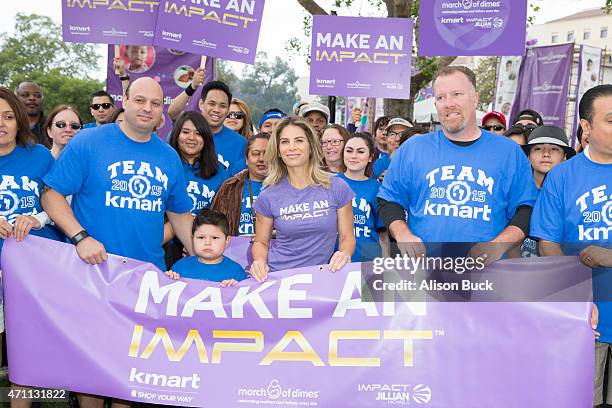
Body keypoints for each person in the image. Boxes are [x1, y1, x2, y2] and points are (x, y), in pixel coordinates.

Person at [378, 66, 538, 262]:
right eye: (441, 97)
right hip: (426, 273)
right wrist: (402, 233)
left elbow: (526, 208)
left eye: (457, 94)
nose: (448, 104)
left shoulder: (508, 152)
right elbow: (389, 199)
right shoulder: (413, 149)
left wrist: (499, 244)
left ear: (475, 98)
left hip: (486, 277)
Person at [529, 85, 612, 407]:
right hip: (585, 324)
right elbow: (547, 243)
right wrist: (575, 302)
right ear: (586, 127)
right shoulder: (562, 177)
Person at [0, 87, 62, 405]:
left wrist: (36, 218)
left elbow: (57, 203)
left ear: (19, 120)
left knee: (25, 357)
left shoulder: (38, 155)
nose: (2, 123)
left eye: (8, 116)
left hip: (32, 274)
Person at [249, 116, 355, 281]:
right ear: (278, 150)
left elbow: (347, 236)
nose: (291, 147)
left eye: (299, 140)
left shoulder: (337, 187)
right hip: (279, 280)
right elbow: (261, 242)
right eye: (284, 142)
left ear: (311, 147)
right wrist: (259, 261)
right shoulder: (268, 195)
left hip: (322, 279)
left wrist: (344, 254)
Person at [168, 76, 247, 177]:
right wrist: (192, 87)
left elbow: (237, 181)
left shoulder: (239, 143)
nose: (216, 110)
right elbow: (173, 112)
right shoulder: (185, 132)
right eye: (212, 104)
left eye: (222, 106)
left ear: (228, 110)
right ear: (201, 104)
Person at [339, 133, 389, 261]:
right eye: (349, 151)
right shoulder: (330, 183)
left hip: (368, 259)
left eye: (360, 152)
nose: (353, 156)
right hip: (334, 261)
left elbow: (382, 233)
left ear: (371, 157)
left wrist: (386, 263)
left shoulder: (378, 189)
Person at [165, 210, 248, 286]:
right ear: (192, 238)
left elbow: (245, 299)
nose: (207, 243)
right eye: (201, 237)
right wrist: (167, 280)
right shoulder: (180, 267)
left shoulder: (236, 272)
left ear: (227, 240)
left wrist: (236, 289)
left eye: (215, 238)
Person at [168, 111, 229, 216]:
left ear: (206, 138)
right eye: (186, 132)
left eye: (198, 133)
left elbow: (224, 214)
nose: (191, 138)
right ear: (176, 135)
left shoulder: (220, 172)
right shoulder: (165, 167)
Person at [211, 133, 270, 236]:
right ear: (246, 160)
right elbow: (213, 225)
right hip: (234, 249)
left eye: (267, 153)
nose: (261, 159)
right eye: (256, 153)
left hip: (274, 249)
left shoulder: (287, 188)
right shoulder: (230, 187)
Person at [14, 81, 46, 146]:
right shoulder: (6, 126)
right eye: (25, 95)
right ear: (15, 99)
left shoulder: (52, 125)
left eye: (37, 95)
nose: (32, 98)